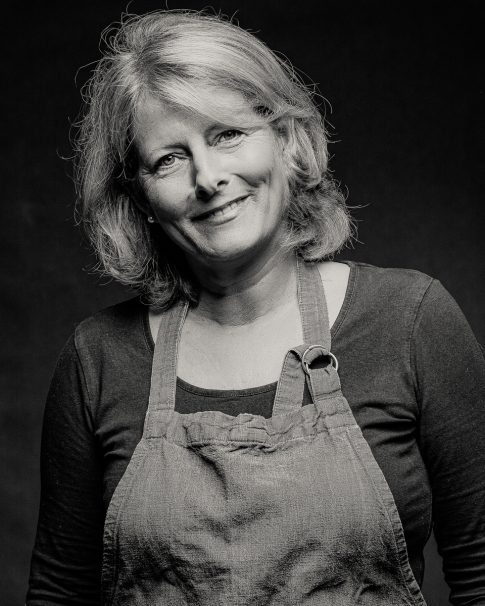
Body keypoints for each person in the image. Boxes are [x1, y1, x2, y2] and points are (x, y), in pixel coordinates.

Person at [26, 9, 485, 606]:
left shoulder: (410, 320)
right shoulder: (98, 359)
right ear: (139, 200)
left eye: (227, 135)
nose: (208, 178)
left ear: (286, 140)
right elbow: (59, 591)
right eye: (169, 159)